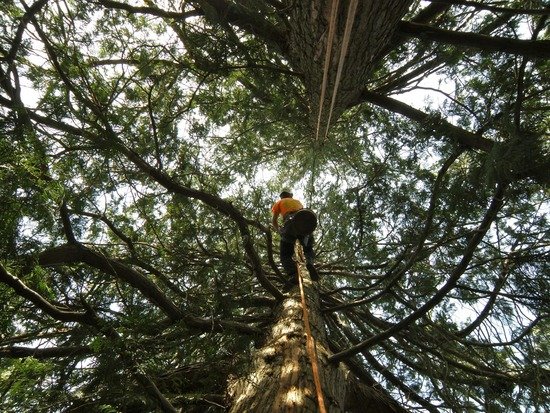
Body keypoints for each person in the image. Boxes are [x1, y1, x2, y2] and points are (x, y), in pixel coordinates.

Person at [271, 190, 319, 284]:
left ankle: (294, 274)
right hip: (304, 222)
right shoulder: (297, 201)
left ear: (282, 197)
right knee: (308, 249)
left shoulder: (279, 202)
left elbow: (274, 220)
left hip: (290, 224)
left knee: (285, 254)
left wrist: (279, 231)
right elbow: (303, 212)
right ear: (290, 196)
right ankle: (309, 262)